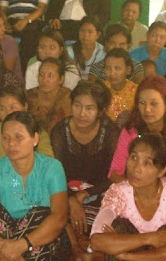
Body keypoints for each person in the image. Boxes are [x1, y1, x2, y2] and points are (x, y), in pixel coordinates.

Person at [0, 111, 72, 260]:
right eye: (6, 138)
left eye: (18, 137)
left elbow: (60, 216)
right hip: (5, 242)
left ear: (35, 139)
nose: (11, 144)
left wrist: (21, 245)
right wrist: (3, 247)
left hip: (41, 238)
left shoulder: (52, 167)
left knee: (42, 214)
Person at [90, 134, 166, 260]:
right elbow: (96, 241)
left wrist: (127, 256)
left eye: (147, 163)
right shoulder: (118, 192)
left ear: (162, 171)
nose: (136, 169)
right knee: (119, 226)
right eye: (133, 158)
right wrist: (149, 238)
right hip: (137, 251)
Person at [50, 81, 120, 252]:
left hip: (99, 190)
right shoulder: (60, 131)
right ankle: (75, 246)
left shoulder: (110, 132)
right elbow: (55, 173)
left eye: (89, 108)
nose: (82, 113)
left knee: (112, 224)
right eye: (77, 106)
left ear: (100, 111)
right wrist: (71, 199)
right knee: (50, 217)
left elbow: (114, 176)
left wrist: (83, 195)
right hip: (64, 189)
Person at [109, 76, 166, 186]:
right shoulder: (131, 132)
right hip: (135, 187)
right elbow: (115, 172)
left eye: (154, 103)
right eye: (142, 103)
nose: (147, 109)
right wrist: (134, 190)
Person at [27, 57, 73, 134]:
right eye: (41, 74)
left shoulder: (68, 98)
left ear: (61, 79)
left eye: (50, 75)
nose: (44, 80)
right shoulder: (29, 96)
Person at [103, 48, 138, 123]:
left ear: (128, 70)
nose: (112, 73)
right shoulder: (100, 89)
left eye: (117, 68)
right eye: (108, 68)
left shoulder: (137, 92)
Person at [67, 15, 105, 81]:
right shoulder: (69, 51)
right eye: (82, 31)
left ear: (98, 35)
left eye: (90, 32)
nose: (85, 35)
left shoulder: (102, 52)